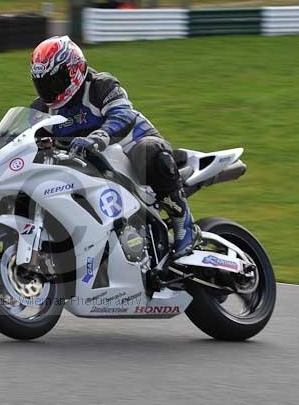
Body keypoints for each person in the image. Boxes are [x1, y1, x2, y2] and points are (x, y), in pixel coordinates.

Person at [29, 35, 198, 258]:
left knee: (148, 153)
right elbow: (26, 140)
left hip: (132, 148)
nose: (48, 89)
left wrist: (99, 137)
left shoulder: (101, 85)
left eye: (53, 80)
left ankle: (184, 225)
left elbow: (123, 113)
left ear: (74, 70)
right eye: (42, 83)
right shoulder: (41, 109)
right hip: (88, 167)